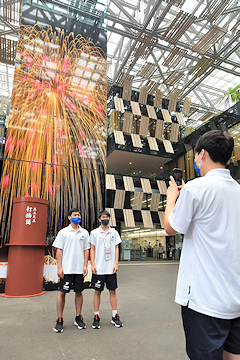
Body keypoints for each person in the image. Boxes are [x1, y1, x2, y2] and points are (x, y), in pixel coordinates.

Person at [164, 130, 240, 360]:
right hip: (235, 297)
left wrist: (172, 197)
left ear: (202, 154)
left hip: (204, 299)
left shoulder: (196, 189)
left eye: (196, 156)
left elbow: (170, 227)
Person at [52, 208, 90, 333]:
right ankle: (59, 319)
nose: (77, 217)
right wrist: (59, 267)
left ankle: (78, 317)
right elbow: (59, 250)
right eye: (74, 215)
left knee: (79, 292)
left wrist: (85, 265)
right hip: (66, 269)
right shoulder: (63, 232)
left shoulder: (84, 232)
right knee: (62, 293)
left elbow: (86, 250)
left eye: (79, 215)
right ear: (69, 217)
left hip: (79, 269)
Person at [90, 209, 123, 329]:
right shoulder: (94, 233)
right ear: (99, 219)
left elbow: (116, 248)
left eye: (107, 217)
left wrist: (116, 263)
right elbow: (92, 249)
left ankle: (115, 316)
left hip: (111, 268)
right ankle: (96, 316)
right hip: (99, 268)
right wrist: (92, 264)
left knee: (113, 291)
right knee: (97, 292)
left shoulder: (114, 232)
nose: (105, 219)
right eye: (103, 217)